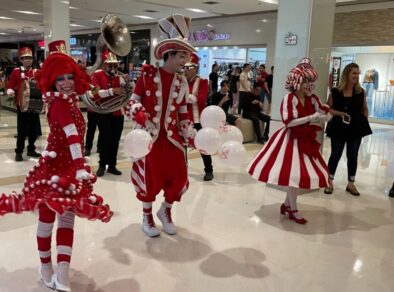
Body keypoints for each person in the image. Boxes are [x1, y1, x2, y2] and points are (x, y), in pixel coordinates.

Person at [0, 40, 113, 291]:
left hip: (69, 169)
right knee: (48, 218)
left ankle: (62, 270)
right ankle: (45, 265)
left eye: (69, 77)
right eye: (60, 78)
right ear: (51, 80)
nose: (66, 82)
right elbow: (72, 135)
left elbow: (92, 92)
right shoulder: (61, 103)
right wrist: (80, 164)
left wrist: (109, 89)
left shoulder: (70, 99)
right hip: (55, 170)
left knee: (67, 219)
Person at [126, 14, 196, 238]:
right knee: (150, 177)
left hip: (173, 139)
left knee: (179, 176)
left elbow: (184, 111)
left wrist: (190, 132)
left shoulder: (182, 81)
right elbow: (132, 102)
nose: (185, 60)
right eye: (182, 56)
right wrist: (140, 113)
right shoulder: (147, 76)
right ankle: (146, 215)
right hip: (149, 137)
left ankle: (165, 210)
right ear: (170, 54)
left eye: (186, 56)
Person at [247, 58, 330, 224]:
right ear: (296, 81)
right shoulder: (289, 99)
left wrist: (323, 117)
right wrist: (311, 117)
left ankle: (287, 205)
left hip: (305, 138)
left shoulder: (311, 98)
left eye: (309, 81)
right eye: (304, 81)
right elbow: (289, 121)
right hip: (290, 139)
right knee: (294, 175)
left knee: (296, 176)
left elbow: (325, 112)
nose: (307, 85)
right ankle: (292, 209)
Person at [324, 63, 372, 196]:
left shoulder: (361, 91)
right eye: (354, 73)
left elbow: (365, 109)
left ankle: (351, 183)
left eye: (358, 73)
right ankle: (329, 181)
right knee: (335, 154)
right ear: (347, 74)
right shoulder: (335, 91)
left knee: (353, 155)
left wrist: (364, 117)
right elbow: (328, 108)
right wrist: (339, 114)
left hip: (355, 128)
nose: (356, 76)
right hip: (338, 127)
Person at [91, 49, 127, 177]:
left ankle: (112, 165)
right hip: (103, 112)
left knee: (115, 140)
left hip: (118, 112)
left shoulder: (119, 76)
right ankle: (102, 165)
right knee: (105, 139)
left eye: (115, 64)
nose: (113, 67)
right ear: (104, 64)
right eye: (110, 64)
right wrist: (112, 91)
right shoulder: (96, 74)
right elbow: (95, 93)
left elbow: (128, 91)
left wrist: (129, 83)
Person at [7, 47, 41, 161]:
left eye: (30, 58)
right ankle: (19, 151)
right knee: (22, 129)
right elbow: (10, 85)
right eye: (25, 58)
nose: (28, 60)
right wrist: (11, 90)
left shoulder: (36, 72)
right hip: (21, 104)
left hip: (35, 103)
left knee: (34, 129)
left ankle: (31, 149)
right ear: (21, 60)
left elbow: (42, 85)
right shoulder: (16, 71)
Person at [184, 52, 213, 181]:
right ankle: (182, 169)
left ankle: (209, 170)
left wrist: (184, 98)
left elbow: (201, 99)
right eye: (184, 67)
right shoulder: (181, 81)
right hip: (183, 119)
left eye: (188, 68)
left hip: (197, 119)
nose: (185, 70)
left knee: (203, 145)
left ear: (195, 67)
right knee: (182, 146)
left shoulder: (202, 81)